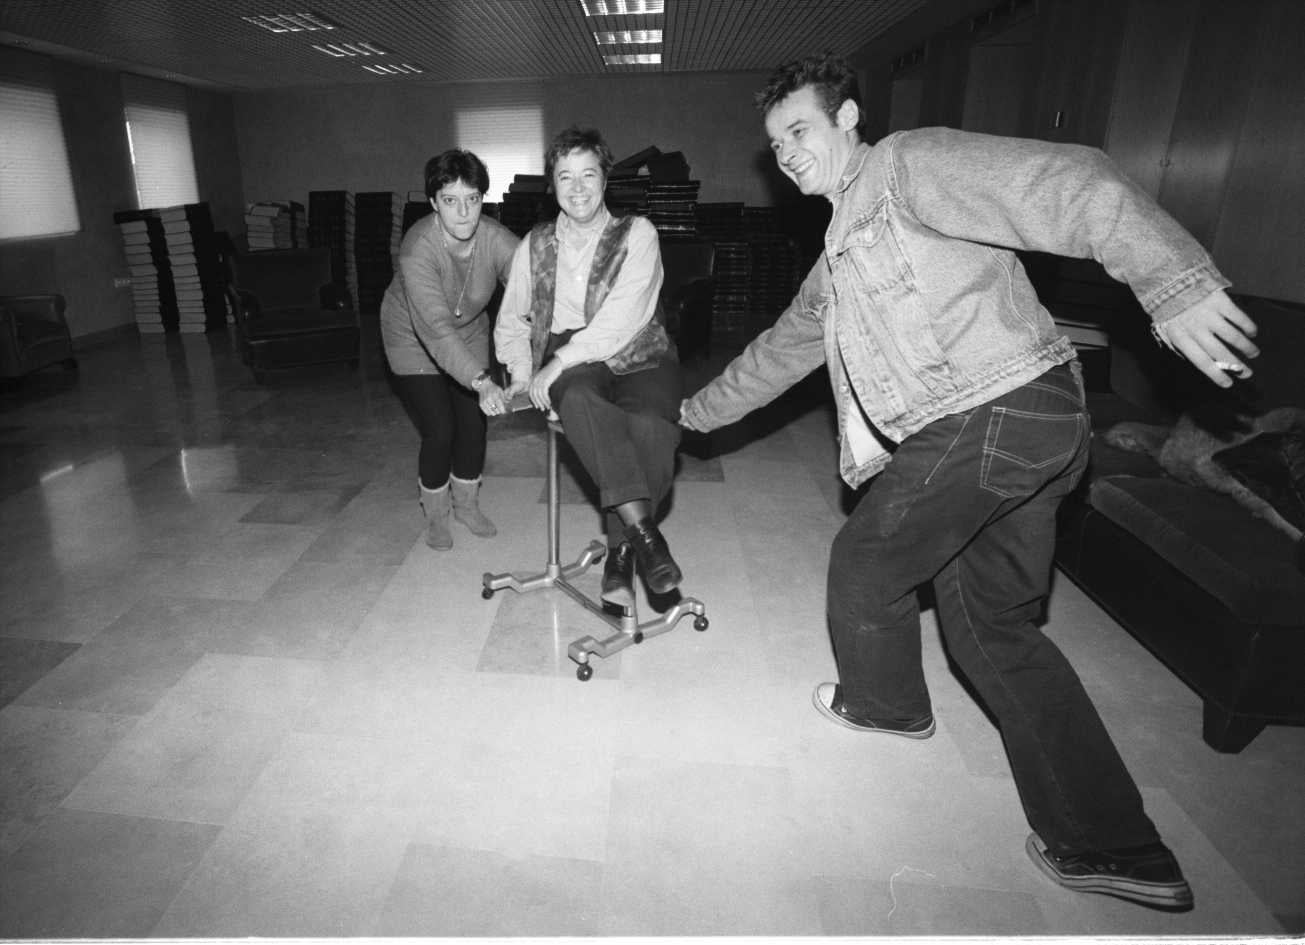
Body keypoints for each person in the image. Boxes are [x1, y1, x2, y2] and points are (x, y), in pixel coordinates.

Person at [680, 53, 1260, 913]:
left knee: (865, 563)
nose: (787, 153)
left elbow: (1070, 177)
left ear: (847, 119)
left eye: (798, 130)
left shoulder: (906, 165)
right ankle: (1114, 847)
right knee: (993, 629)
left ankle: (885, 706)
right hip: (1026, 429)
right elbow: (781, 349)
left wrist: (1170, 283)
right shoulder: (836, 249)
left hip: (994, 409)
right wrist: (689, 415)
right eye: (774, 144)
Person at [494, 126, 684, 614]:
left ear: (605, 180)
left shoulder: (637, 234)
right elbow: (512, 318)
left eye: (588, 175)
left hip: (639, 346)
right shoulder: (533, 246)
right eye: (564, 177)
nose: (577, 188)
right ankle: (645, 537)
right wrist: (520, 374)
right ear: (552, 185)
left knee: (652, 427)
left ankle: (620, 555)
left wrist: (558, 360)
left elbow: (623, 316)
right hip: (570, 355)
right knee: (576, 398)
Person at [380, 149, 519, 550]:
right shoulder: (418, 247)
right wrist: (482, 380)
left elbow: (533, 286)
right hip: (412, 336)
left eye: (472, 199)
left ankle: (467, 506)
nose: (463, 212)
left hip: (470, 331)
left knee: (474, 425)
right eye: (450, 200)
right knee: (440, 429)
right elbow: (436, 329)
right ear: (433, 203)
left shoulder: (495, 240)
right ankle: (437, 516)